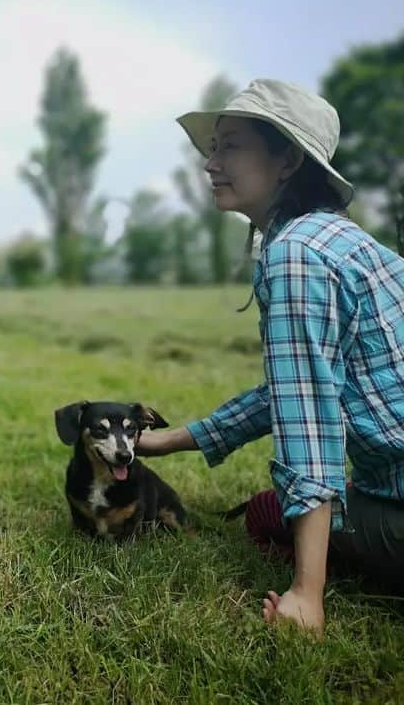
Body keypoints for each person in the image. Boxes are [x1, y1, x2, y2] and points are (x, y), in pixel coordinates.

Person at [138, 79, 404, 637]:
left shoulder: (296, 256)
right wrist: (171, 439)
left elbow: (308, 418)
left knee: (267, 512)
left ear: (287, 160)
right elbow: (293, 389)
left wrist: (307, 596)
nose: (210, 163)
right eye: (213, 147)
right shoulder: (338, 239)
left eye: (230, 145)